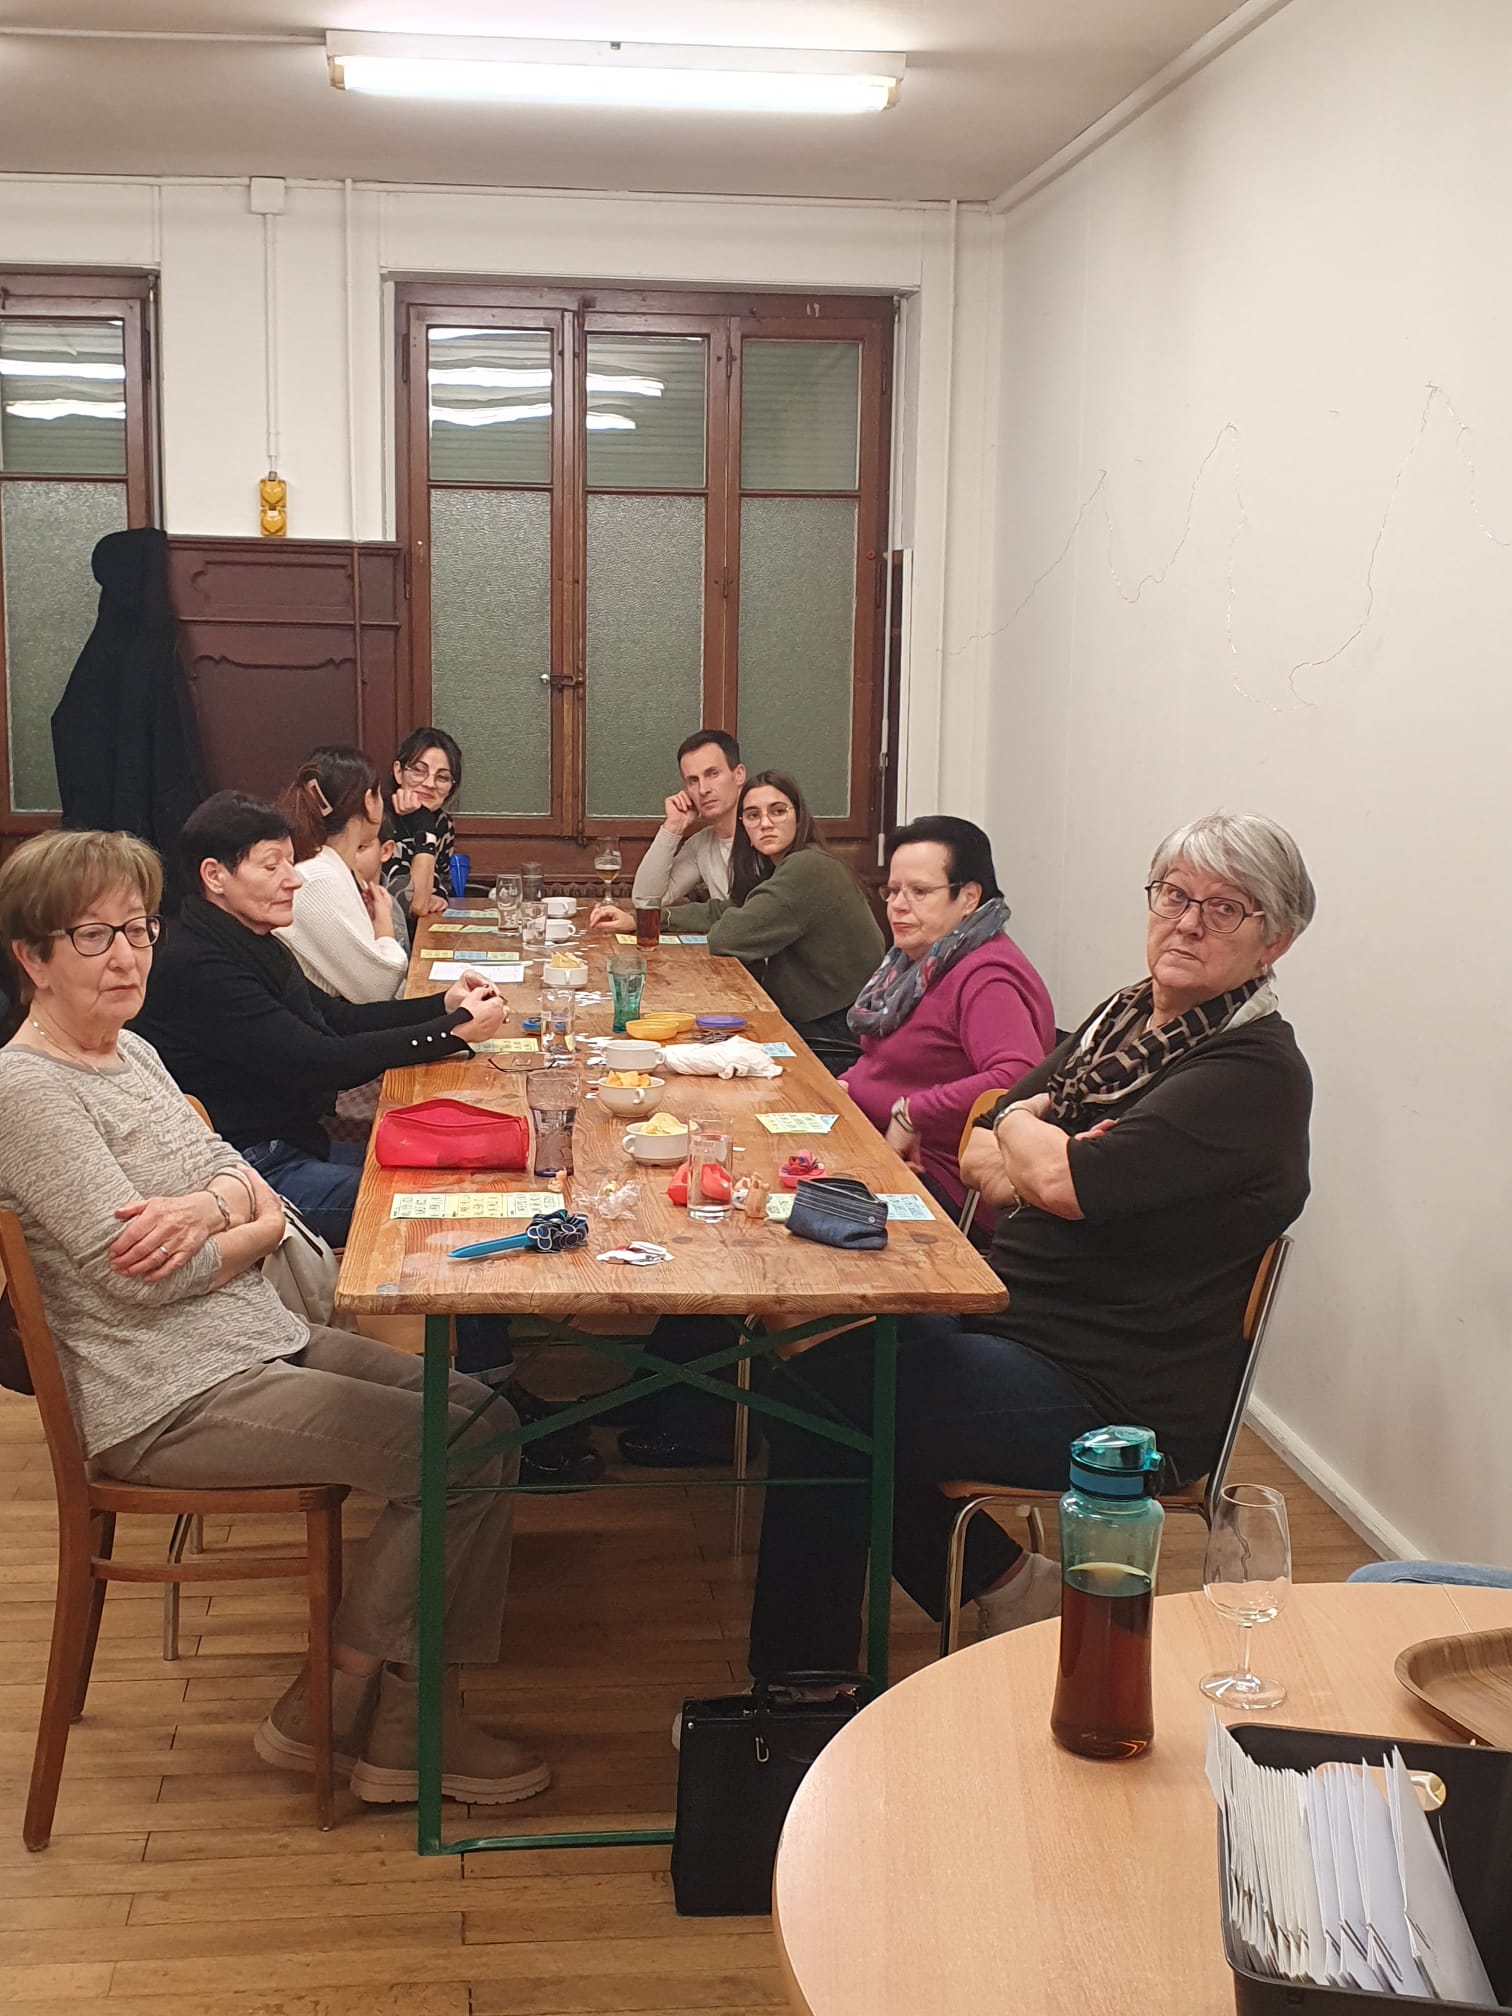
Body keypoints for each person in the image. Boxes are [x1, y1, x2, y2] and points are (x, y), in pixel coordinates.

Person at [0, 827, 548, 1806]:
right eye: (92, 935)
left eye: (138, 929)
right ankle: (362, 1708)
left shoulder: (130, 1051)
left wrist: (217, 1210)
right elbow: (149, 1282)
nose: (126, 956)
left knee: (487, 1418)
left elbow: (245, 1181)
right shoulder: (28, 1093)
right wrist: (240, 1220)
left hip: (251, 1339)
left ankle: (380, 1710)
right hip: (162, 1394)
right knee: (460, 1446)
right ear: (33, 957)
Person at [746, 811, 1316, 1674]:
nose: (1188, 923)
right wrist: (1032, 1133)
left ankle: (804, 1690)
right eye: (1174, 895)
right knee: (810, 1376)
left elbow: (1053, 1181)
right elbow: (988, 1140)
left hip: (1111, 1388)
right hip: (1015, 1322)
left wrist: (1039, 1144)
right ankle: (1010, 1588)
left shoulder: (1251, 1073)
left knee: (826, 1408)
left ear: (1276, 940)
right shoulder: (1126, 1021)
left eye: (1226, 909)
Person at [133, 789, 503, 1245]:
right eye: (272, 866)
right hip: (250, 1172)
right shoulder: (198, 964)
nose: (293, 880)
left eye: (291, 863)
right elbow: (317, 1060)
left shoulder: (253, 940)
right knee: (440, 1206)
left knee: (470, 1175)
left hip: (299, 1143)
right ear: (215, 875)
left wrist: (443, 1006)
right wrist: (450, 1031)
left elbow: (336, 1017)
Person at [595, 771, 884, 1074]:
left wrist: (738, 917)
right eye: (753, 815)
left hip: (836, 1038)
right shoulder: (786, 865)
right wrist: (646, 920)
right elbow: (728, 910)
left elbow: (727, 937)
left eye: (778, 811)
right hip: (821, 1023)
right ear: (743, 825)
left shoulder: (808, 868)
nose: (765, 823)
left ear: (799, 817)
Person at [842, 816, 1056, 1217]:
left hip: (943, 1179)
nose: (898, 905)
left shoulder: (987, 976)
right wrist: (844, 1087)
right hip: (873, 1140)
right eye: (893, 891)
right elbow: (886, 1062)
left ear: (969, 897)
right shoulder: (919, 961)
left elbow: (1019, 1075)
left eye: (920, 891)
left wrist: (911, 1113)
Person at [275, 746, 408, 1004]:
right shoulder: (319, 877)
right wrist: (384, 929)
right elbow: (379, 988)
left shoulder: (330, 867)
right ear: (369, 802)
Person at [630, 728, 746, 908]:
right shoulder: (702, 844)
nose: (703, 790)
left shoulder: (766, 833)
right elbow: (645, 900)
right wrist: (673, 826)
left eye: (713, 774)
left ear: (739, 775)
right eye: (693, 781)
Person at [383, 727, 463, 920]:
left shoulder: (442, 824)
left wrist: (439, 895)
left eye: (442, 777)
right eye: (419, 771)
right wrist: (424, 825)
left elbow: (440, 883)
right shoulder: (377, 820)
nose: (429, 783)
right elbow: (412, 904)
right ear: (398, 772)